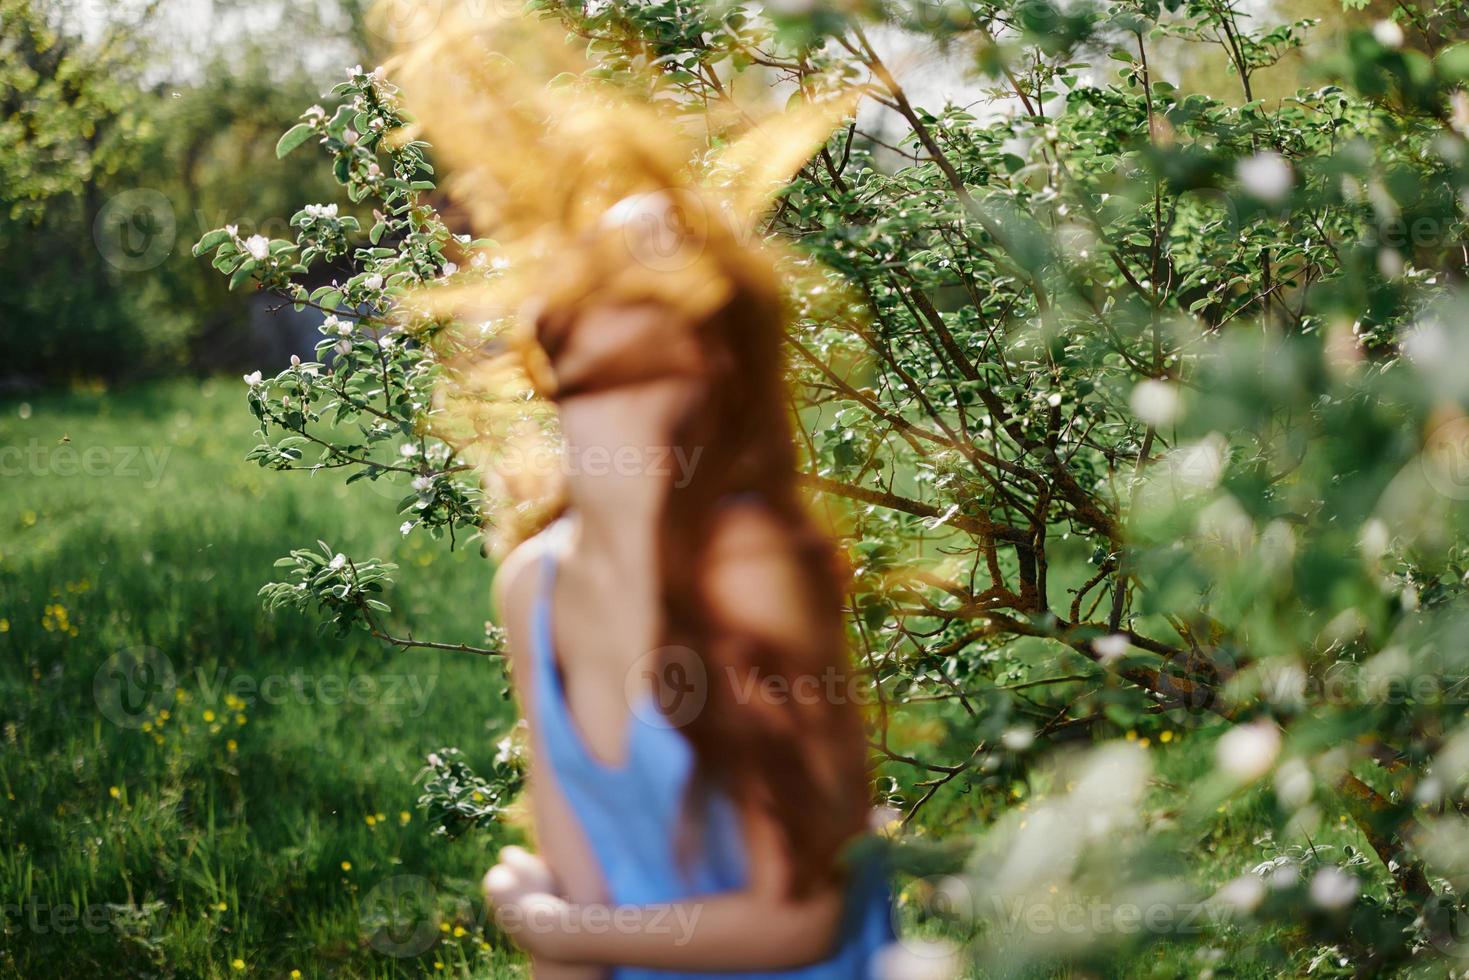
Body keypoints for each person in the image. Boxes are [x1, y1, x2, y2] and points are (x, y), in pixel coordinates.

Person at [481, 192, 894, 978]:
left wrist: (551, 926)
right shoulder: (531, 586)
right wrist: (558, 934)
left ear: (717, 368)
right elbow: (578, 904)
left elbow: (800, 918)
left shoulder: (749, 568)